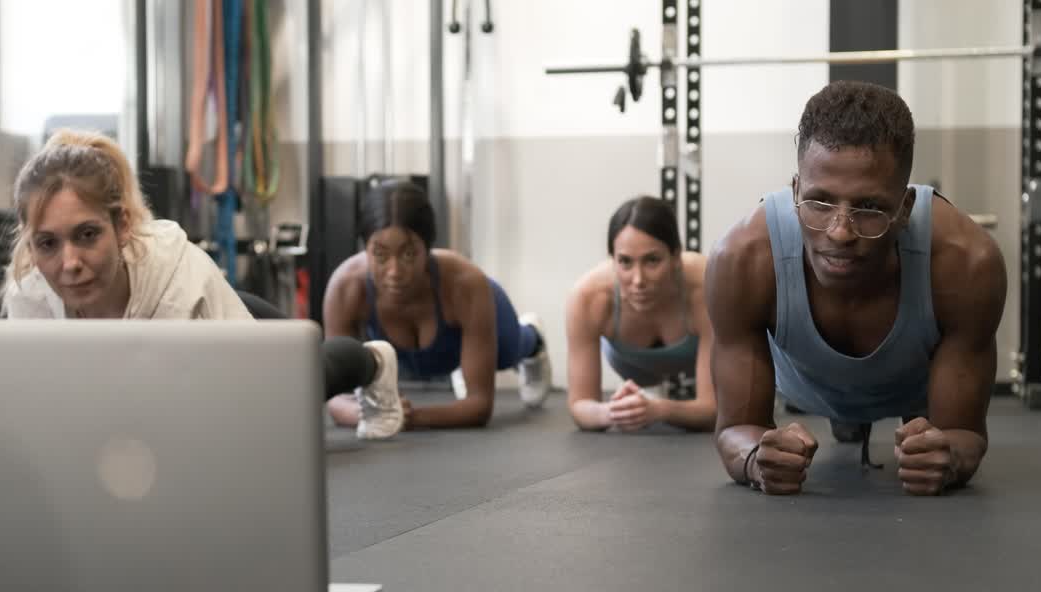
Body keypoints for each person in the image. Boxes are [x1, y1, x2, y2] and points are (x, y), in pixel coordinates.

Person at [0, 130, 405, 440]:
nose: (70, 263)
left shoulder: (178, 274)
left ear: (121, 226)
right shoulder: (30, 294)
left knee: (301, 381)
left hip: (222, 328)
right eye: (48, 243)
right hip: (172, 360)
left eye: (87, 235)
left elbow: (231, 415)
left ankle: (374, 361)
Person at [706, 80, 1006, 497]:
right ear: (795, 191)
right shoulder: (742, 259)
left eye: (869, 207)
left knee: (924, 437)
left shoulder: (967, 263)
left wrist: (947, 456)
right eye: (819, 202)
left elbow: (965, 432)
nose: (840, 232)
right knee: (845, 425)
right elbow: (736, 428)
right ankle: (847, 420)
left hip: (913, 388)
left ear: (905, 208)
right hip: (808, 386)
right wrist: (757, 457)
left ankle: (882, 421)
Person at [322, 179, 551, 430]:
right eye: (380, 255)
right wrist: (369, 414)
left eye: (409, 254)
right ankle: (469, 360)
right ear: (365, 248)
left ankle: (533, 340)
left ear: (428, 248)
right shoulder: (345, 288)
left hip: (485, 309)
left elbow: (479, 405)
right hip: (433, 349)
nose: (394, 271)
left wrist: (408, 418)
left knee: (506, 353)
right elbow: (336, 398)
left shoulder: (466, 284)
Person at [564, 196, 716, 432]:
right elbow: (579, 404)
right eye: (625, 262)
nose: (638, 280)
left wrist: (661, 410)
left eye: (652, 261)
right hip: (631, 368)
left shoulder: (706, 286)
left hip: (694, 365)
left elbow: (713, 410)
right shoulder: (588, 296)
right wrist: (612, 412)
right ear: (612, 260)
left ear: (676, 257)